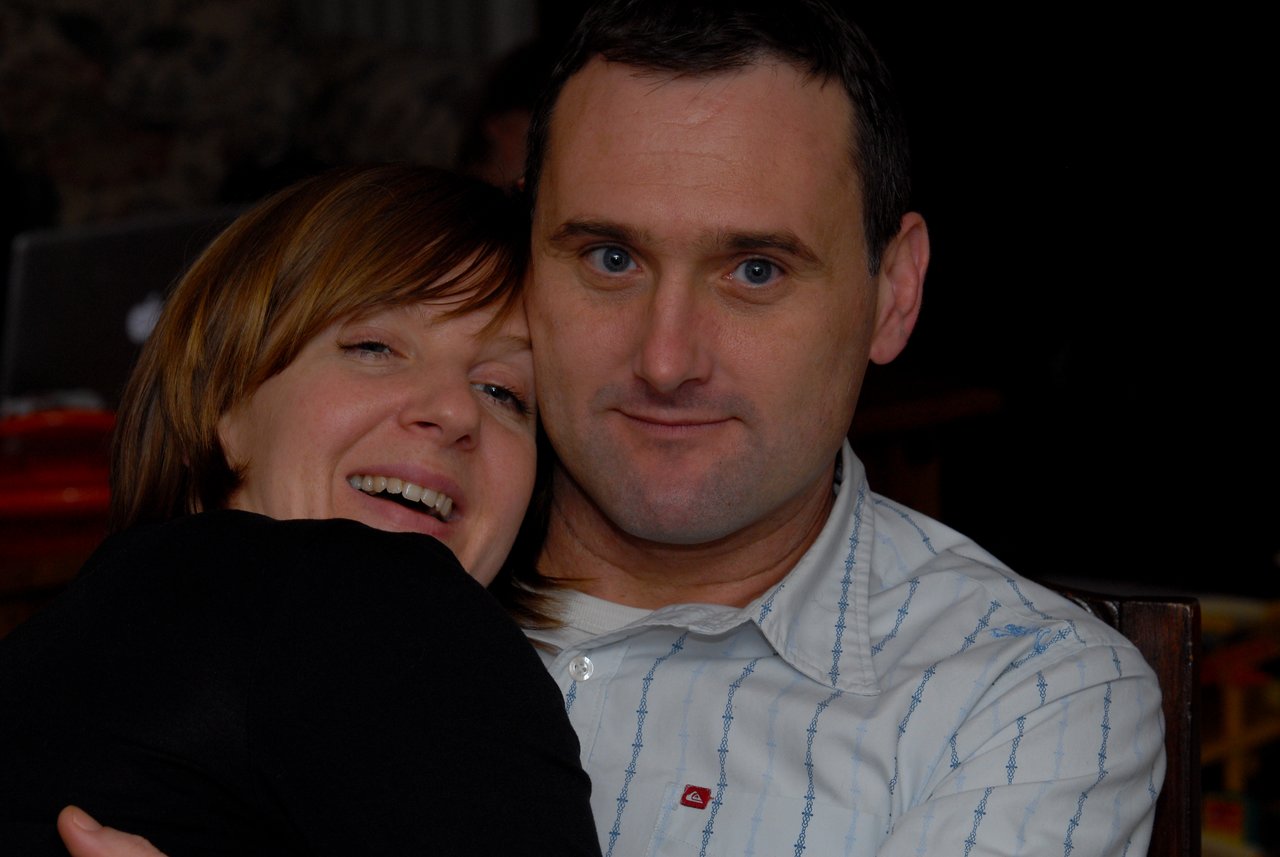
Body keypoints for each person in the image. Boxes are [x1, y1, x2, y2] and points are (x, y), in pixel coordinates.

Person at [59, 1, 1167, 856]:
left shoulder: (1018, 698)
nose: (665, 357)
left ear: (893, 292)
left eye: (753, 269)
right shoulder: (345, 555)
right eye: (608, 258)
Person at [0, 164, 601, 856]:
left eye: (504, 391)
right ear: (224, 399)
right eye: (375, 347)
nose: (453, 409)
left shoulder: (60, 650)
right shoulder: (395, 606)